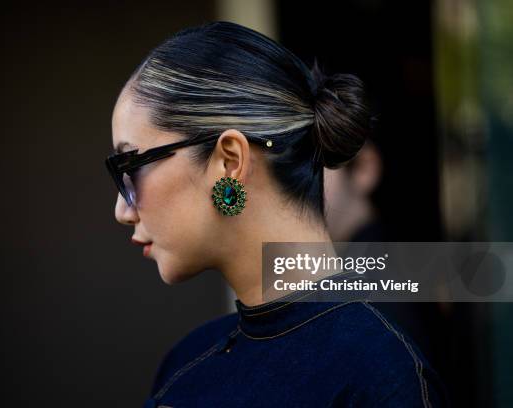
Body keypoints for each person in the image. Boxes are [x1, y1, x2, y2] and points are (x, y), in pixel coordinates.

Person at [106, 21, 449, 407]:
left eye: (131, 167)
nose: (123, 210)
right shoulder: (183, 363)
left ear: (229, 162)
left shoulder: (382, 376)